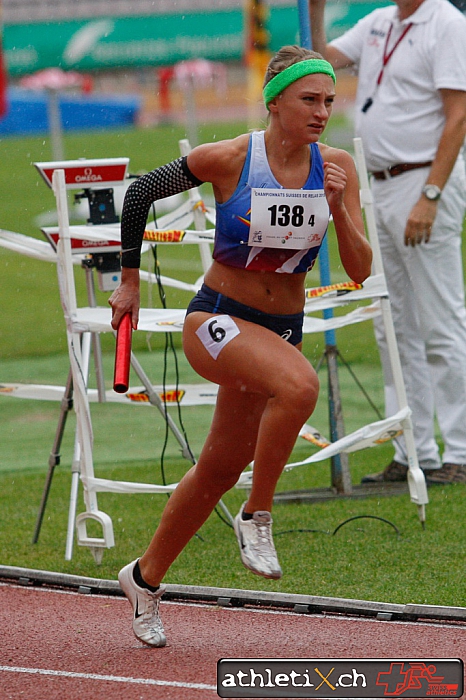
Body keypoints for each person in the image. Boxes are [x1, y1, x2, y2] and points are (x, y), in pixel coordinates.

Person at [109, 45, 372, 648]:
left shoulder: (335, 168)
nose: (322, 112)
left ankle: (144, 578)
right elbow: (140, 192)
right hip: (218, 321)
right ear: (275, 102)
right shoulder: (229, 158)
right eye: (310, 99)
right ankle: (257, 516)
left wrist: (339, 210)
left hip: (279, 331)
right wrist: (129, 281)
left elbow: (359, 269)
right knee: (300, 386)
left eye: (329, 101)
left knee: (219, 468)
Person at [309, 0, 466, 485]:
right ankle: (414, 451)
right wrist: (315, 8)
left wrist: (431, 195)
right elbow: (320, 61)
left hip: (423, 180)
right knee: (392, 326)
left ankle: (460, 451)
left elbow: (458, 115)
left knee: (441, 322)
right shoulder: (380, 20)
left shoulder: (446, 22)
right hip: (378, 184)